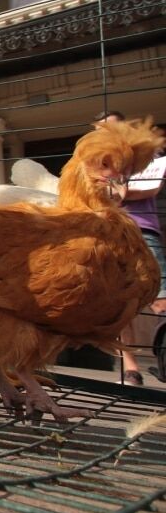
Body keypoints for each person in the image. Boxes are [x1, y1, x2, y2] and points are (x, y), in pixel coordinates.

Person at [98, 111, 166, 386]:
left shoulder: (148, 154)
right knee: (119, 301)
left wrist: (121, 189)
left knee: (160, 296)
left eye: (112, 127)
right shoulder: (94, 160)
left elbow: (151, 188)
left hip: (142, 229)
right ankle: (131, 368)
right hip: (108, 229)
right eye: (100, 128)